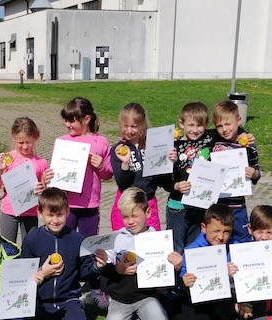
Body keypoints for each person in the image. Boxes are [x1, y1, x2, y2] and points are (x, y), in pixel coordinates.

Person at [20, 188, 106, 320]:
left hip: (68, 299)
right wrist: (42, 272)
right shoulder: (31, 240)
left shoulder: (77, 239)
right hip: (43, 302)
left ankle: (74, 315)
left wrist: (98, 266)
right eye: (50, 215)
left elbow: (84, 273)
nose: (55, 220)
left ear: (67, 211)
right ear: (40, 213)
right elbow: (23, 277)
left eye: (59, 215)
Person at [102, 188, 182, 320]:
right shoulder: (115, 239)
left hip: (146, 297)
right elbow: (104, 271)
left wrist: (176, 267)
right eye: (125, 217)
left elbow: (165, 275)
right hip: (120, 299)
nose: (130, 221)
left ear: (148, 212)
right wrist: (116, 269)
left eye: (134, 215)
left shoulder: (159, 239)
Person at [57, 97, 113, 310]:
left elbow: (108, 174)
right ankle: (66, 287)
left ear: (87, 119)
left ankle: (95, 288)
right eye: (66, 120)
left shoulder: (101, 142)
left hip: (90, 205)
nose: (67, 125)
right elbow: (56, 172)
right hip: (67, 206)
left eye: (72, 120)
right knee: (65, 246)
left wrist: (101, 166)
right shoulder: (62, 141)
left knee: (91, 248)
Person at [174, 204, 245, 320]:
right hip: (197, 301)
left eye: (226, 232)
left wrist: (233, 274)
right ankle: (173, 310)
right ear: (204, 227)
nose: (221, 237)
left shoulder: (236, 248)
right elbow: (182, 285)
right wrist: (184, 281)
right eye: (216, 231)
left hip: (223, 299)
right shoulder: (191, 251)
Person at [166, 101, 215, 254]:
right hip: (177, 206)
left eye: (199, 125)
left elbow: (229, 131)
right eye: (191, 125)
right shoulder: (173, 145)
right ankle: (177, 271)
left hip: (200, 205)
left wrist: (244, 134)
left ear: (206, 124)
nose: (195, 130)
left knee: (194, 248)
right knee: (176, 248)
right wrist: (175, 186)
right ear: (181, 123)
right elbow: (163, 179)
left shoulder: (210, 139)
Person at [209, 100, 261, 243]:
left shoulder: (248, 145)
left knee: (242, 241)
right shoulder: (213, 142)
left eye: (228, 124)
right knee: (217, 241)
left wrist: (253, 174)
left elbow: (257, 172)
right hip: (216, 205)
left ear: (238, 120)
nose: (224, 129)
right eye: (219, 126)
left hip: (237, 205)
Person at [0, 117, 48, 244]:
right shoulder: (7, 159)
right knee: (8, 247)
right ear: (13, 137)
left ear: (36, 137)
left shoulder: (41, 163)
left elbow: (44, 192)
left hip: (30, 211)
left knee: (30, 247)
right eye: (21, 142)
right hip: (9, 211)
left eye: (29, 142)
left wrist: (42, 189)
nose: (25, 146)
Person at [109, 103, 164, 232]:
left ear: (142, 125)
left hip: (148, 203)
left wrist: (167, 160)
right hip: (126, 204)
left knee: (151, 240)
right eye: (125, 126)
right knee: (124, 241)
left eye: (133, 126)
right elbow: (122, 183)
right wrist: (125, 163)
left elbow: (161, 179)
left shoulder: (153, 146)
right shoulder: (118, 149)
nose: (129, 130)